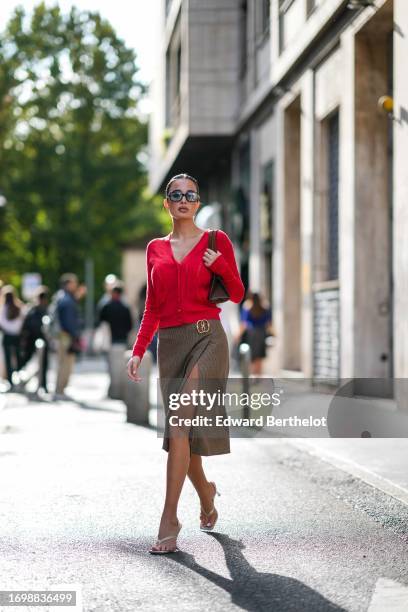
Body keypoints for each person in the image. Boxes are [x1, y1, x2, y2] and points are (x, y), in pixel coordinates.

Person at [126, 173, 245, 554]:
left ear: (197, 203)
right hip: (172, 344)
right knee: (184, 436)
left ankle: (169, 518)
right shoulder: (155, 249)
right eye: (175, 194)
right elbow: (153, 308)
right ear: (166, 203)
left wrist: (221, 266)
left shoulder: (216, 240)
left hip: (209, 337)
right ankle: (206, 494)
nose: (182, 199)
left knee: (179, 423)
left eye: (190, 194)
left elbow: (238, 293)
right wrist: (139, 348)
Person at [98, 282, 133, 398]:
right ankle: (120, 391)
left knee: (111, 368)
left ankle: (113, 391)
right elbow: (130, 326)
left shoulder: (106, 307)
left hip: (110, 342)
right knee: (121, 368)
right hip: (122, 341)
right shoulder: (126, 308)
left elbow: (100, 322)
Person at [54, 273, 82, 399]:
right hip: (66, 336)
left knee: (65, 363)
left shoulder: (64, 297)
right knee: (65, 364)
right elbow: (69, 320)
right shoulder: (66, 300)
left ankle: (61, 389)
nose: (75, 285)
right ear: (68, 284)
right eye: (73, 283)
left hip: (64, 335)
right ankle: (60, 390)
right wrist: (75, 335)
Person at [20, 285, 51, 392]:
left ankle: (41, 385)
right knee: (40, 363)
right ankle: (41, 385)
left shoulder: (33, 309)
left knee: (34, 362)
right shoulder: (42, 310)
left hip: (33, 340)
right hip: (36, 340)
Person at [235, 290, 273, 376]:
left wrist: (238, 335)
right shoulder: (265, 307)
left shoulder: (247, 307)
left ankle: (251, 375)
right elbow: (269, 323)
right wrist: (274, 334)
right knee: (259, 356)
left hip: (251, 334)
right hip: (261, 333)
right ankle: (258, 376)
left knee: (250, 355)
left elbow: (243, 324)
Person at [0, 285, 27, 387]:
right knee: (18, 356)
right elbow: (22, 322)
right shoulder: (20, 307)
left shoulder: (3, 308)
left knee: (8, 359)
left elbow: (2, 322)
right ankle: (17, 374)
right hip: (17, 336)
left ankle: (10, 380)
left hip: (7, 336)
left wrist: (8, 329)